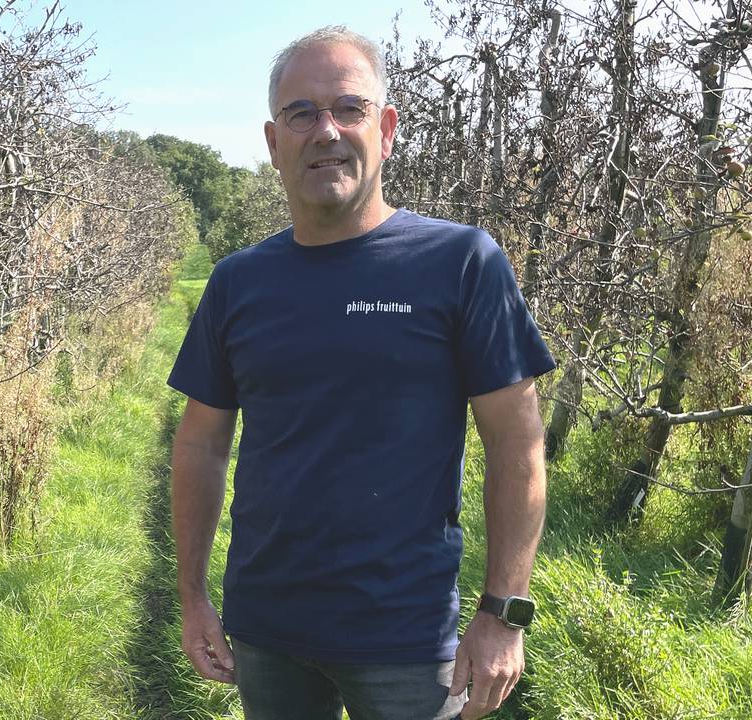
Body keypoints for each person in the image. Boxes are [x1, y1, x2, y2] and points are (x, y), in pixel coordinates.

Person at [166, 25, 555, 720]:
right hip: (267, 630)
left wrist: (503, 613)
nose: (327, 130)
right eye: (301, 114)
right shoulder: (237, 283)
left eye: (350, 108)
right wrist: (192, 596)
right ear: (273, 142)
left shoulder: (461, 263)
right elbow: (200, 443)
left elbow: (516, 443)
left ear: (387, 129)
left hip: (407, 636)